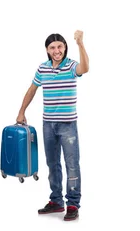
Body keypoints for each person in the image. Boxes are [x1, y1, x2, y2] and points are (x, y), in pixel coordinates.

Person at [17, 31, 89, 221]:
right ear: (47, 51)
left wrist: (81, 44)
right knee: (52, 164)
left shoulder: (71, 65)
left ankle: (73, 203)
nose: (57, 50)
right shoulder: (43, 68)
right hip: (48, 124)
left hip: (68, 124)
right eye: (52, 48)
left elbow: (85, 68)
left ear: (65, 47)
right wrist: (21, 111)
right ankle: (56, 201)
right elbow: (32, 90)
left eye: (60, 46)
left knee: (72, 165)